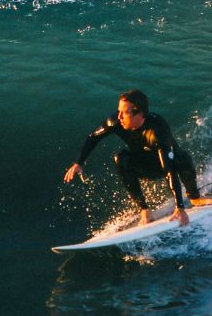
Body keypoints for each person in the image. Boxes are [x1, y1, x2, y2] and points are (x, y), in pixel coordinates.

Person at [63, 89, 203, 227]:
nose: (119, 117)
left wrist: (179, 206)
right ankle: (145, 209)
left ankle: (195, 198)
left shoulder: (157, 130)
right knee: (121, 158)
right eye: (119, 111)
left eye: (124, 112)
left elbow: (169, 170)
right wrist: (78, 163)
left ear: (140, 114)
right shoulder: (116, 122)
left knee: (183, 158)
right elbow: (93, 137)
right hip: (145, 166)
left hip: (168, 165)